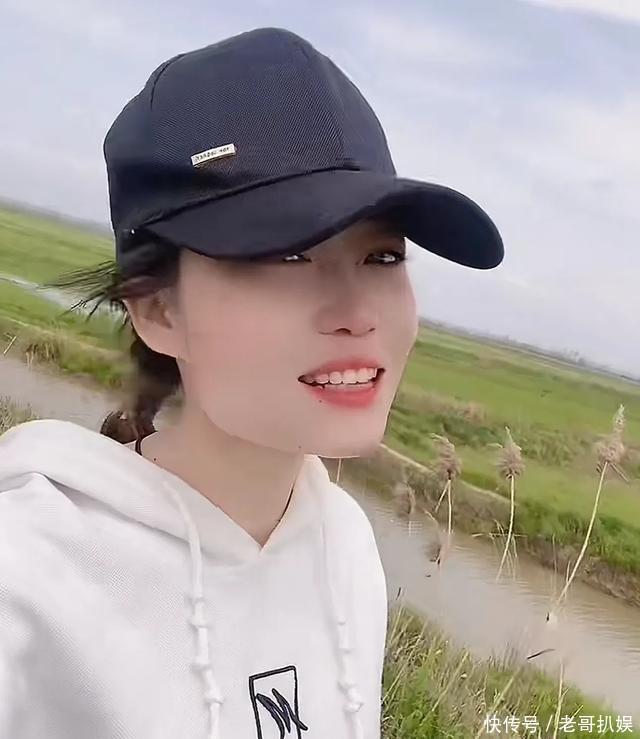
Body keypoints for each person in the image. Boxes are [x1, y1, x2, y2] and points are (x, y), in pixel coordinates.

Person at [0, 27, 503, 739]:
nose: (358, 313)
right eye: (288, 254)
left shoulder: (347, 545)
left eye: (383, 256)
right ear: (158, 310)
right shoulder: (30, 565)